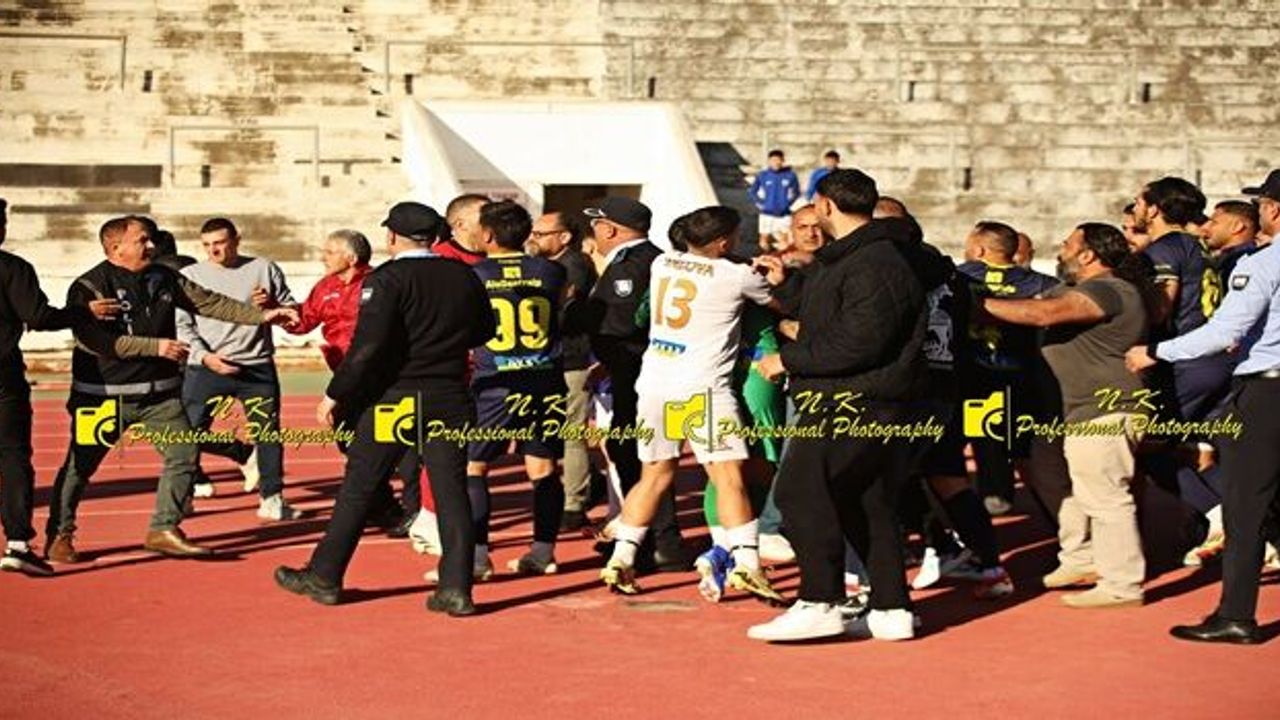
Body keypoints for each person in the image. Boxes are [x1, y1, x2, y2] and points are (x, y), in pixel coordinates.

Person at [274, 202, 495, 615]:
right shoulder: (462, 273)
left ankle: (324, 575)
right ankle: (457, 587)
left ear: (393, 237)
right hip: (448, 395)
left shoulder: (389, 278)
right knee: (451, 493)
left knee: (359, 485)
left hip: (398, 397)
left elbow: (368, 346)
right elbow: (486, 329)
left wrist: (336, 393)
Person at [44, 216, 297, 563]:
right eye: (143, 240)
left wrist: (261, 317)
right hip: (102, 399)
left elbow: (210, 302)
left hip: (160, 398)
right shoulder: (89, 286)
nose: (151, 246)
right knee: (80, 468)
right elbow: (96, 341)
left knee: (184, 455)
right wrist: (155, 347)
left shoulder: (164, 276)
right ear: (116, 248)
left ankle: (164, 528)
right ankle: (60, 535)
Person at [746, 169, 927, 642]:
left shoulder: (877, 261)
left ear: (825, 206)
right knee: (865, 502)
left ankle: (819, 600)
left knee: (798, 492)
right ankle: (890, 608)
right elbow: (830, 315)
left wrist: (784, 360)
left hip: (855, 398)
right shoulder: (853, 258)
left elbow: (859, 341)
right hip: (861, 396)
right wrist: (787, 287)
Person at [1125, 169, 1280, 644]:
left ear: (1272, 209)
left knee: (1246, 504)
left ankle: (1236, 613)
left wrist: (1155, 352)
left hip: (1266, 386)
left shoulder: (1263, 262)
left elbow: (1224, 332)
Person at [599, 206, 782, 603]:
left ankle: (622, 556)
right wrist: (774, 275)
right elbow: (777, 303)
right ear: (723, 241)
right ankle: (748, 565)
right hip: (702, 388)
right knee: (728, 476)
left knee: (655, 475)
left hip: (655, 384)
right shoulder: (737, 276)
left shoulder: (664, 262)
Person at [980, 223, 1151, 609]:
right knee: (1081, 492)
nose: (1061, 251)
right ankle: (1080, 559)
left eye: (1068, 245)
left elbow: (1047, 313)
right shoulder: (1092, 288)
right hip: (1084, 409)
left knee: (1107, 497)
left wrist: (978, 306)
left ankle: (1122, 584)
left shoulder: (1107, 289)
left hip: (1106, 408)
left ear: (1088, 255)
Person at [450, 200, 569, 580]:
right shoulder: (552, 271)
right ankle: (543, 551)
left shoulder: (474, 275)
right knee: (544, 467)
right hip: (545, 377)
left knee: (475, 465)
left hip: (495, 382)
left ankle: (479, 557)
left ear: (487, 234)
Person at [571, 196, 686, 571]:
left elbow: (620, 324)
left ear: (609, 228)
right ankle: (650, 538)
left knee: (642, 458)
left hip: (636, 373)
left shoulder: (630, 266)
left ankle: (659, 541)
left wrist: (578, 314)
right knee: (641, 456)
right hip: (637, 371)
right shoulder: (649, 260)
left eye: (597, 225)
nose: (595, 232)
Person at [0, 199, 115, 575]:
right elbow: (38, 317)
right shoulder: (13, 268)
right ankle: (18, 544)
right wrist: (84, 312)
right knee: (13, 456)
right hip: (3, 377)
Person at [176, 217, 298, 519]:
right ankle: (183, 497)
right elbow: (182, 325)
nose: (213, 250)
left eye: (219, 243)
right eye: (206, 245)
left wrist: (271, 304)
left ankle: (272, 499)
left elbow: (291, 310)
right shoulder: (189, 275)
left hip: (256, 368)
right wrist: (205, 357)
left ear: (236, 240)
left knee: (268, 434)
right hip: (207, 367)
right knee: (188, 434)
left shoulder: (263, 268)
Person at [957, 221, 1060, 516]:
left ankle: (988, 501)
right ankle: (1057, 519)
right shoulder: (1043, 284)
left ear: (978, 249)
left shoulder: (958, 277)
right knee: (1027, 450)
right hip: (1023, 377)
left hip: (975, 376)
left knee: (978, 442)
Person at [526, 211, 602, 531]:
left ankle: (574, 503)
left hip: (571, 358)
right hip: (551, 358)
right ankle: (580, 489)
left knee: (572, 432)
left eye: (542, 233)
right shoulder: (552, 266)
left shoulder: (574, 266)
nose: (534, 238)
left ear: (564, 236)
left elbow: (564, 309)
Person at [750, 150, 800, 253]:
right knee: (764, 238)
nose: (776, 162)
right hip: (767, 213)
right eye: (773, 160)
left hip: (784, 214)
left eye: (778, 160)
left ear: (782, 161)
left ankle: (781, 262)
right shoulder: (762, 175)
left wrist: (787, 203)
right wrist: (762, 203)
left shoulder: (790, 175)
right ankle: (764, 261)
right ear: (769, 161)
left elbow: (796, 192)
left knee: (784, 239)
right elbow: (753, 191)